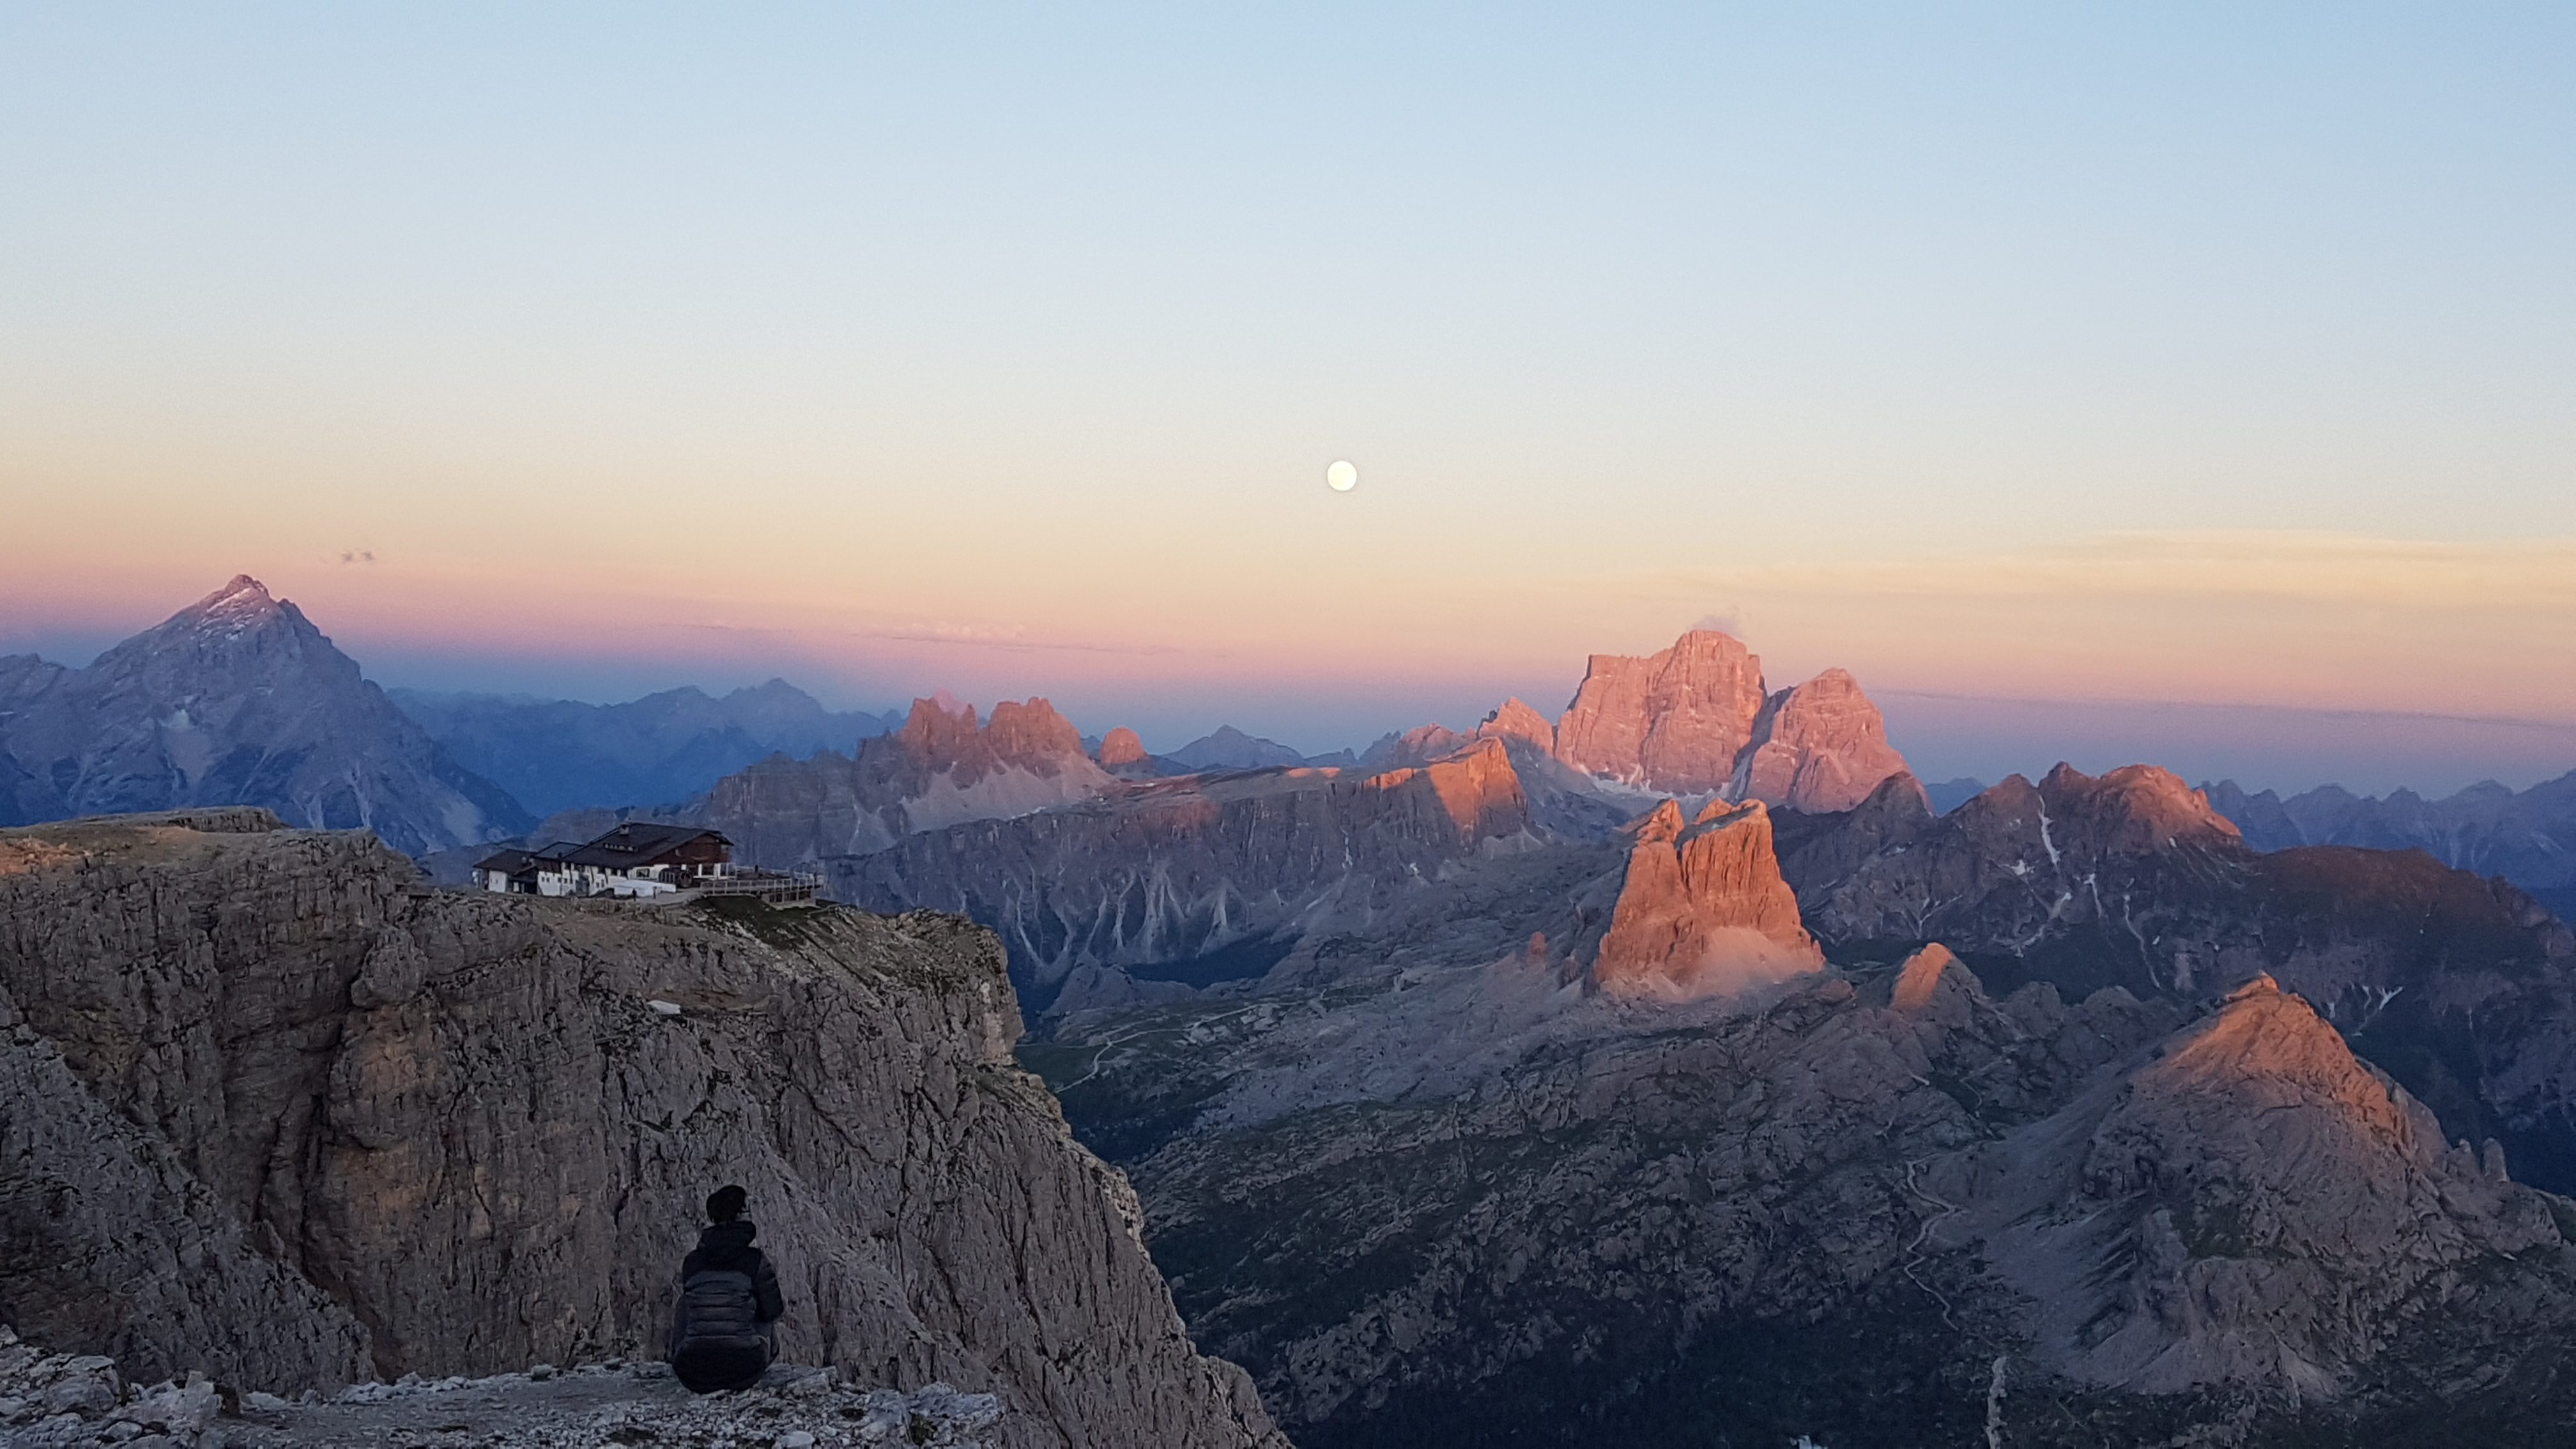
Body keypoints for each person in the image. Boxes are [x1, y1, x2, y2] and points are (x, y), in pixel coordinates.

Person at [666, 1184, 785, 1392]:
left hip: (692, 1371)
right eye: (747, 1209)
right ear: (740, 1214)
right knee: (759, 1300)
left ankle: (682, 1353)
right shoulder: (754, 1260)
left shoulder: (692, 1262)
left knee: (685, 1303)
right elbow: (774, 1310)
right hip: (745, 1369)